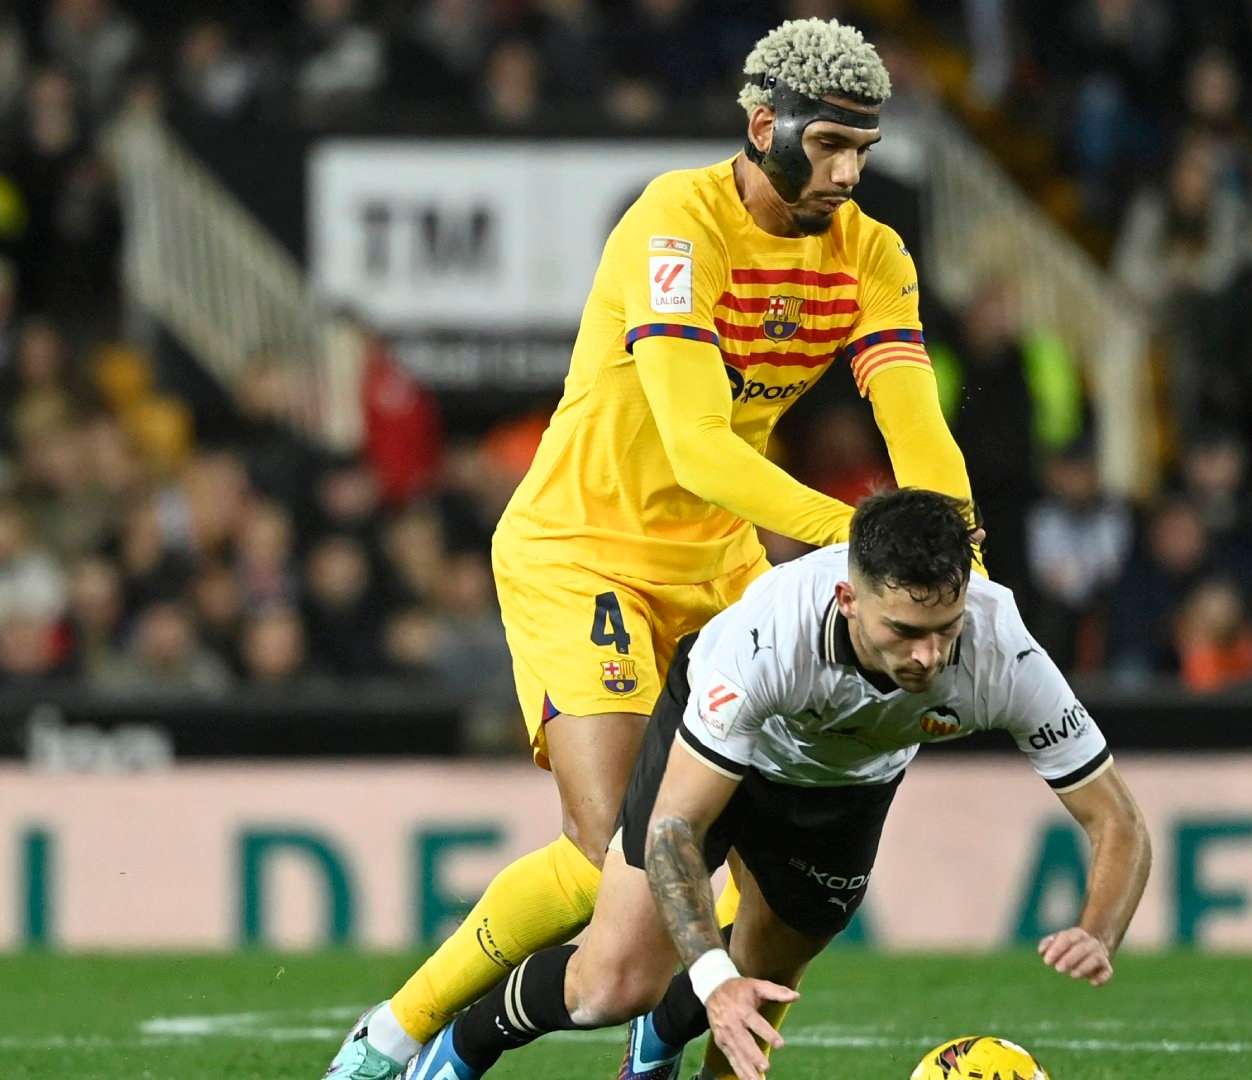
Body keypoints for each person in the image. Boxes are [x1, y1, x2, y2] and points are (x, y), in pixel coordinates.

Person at [324, 18, 977, 1080]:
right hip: (583, 547)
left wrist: (963, 576)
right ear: (764, 127)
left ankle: (661, 1028)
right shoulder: (675, 224)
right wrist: (861, 550)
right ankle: (399, 1031)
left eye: (865, 150)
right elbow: (699, 447)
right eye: (829, 147)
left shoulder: (872, 255)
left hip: (720, 566)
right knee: (610, 849)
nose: (850, 174)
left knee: (737, 850)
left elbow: (920, 436)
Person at [403, 489, 1151, 1080]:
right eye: (903, 632)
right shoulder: (770, 637)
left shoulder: (1001, 650)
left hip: (845, 792)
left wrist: (1098, 928)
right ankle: (460, 1048)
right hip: (724, 754)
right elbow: (675, 832)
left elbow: (1117, 820)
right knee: (612, 984)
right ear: (849, 599)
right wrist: (706, 971)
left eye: (944, 628)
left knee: (758, 996)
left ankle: (661, 1040)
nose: (927, 657)